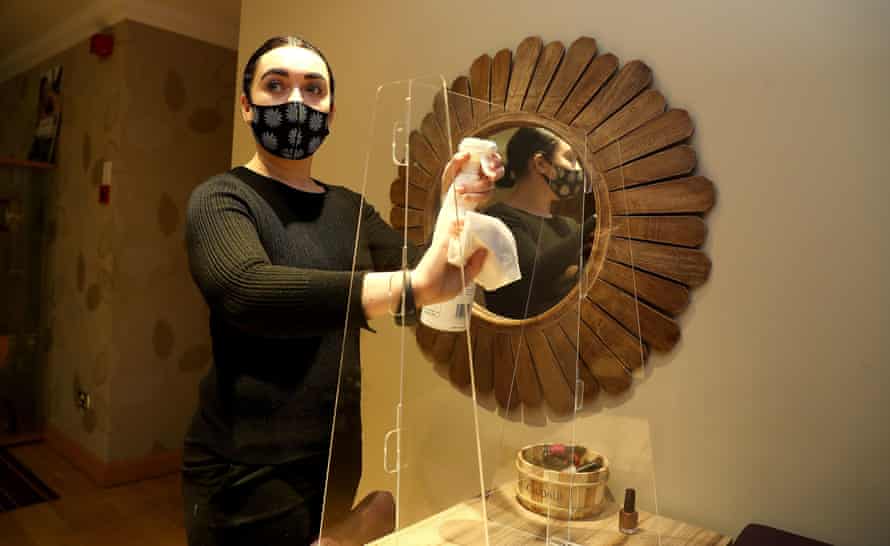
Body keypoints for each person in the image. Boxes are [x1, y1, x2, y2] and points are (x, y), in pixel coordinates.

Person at [180, 36, 504, 546]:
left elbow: (420, 273)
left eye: (313, 89)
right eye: (275, 85)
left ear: (329, 115)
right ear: (246, 106)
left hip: (333, 456)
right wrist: (409, 286)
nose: (295, 101)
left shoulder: (350, 211)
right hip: (244, 469)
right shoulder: (222, 198)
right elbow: (247, 289)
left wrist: (456, 201)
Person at [482, 127, 595, 319]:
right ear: (541, 164)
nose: (578, 169)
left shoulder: (568, 225)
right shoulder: (497, 219)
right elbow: (531, 282)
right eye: (570, 158)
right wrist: (591, 226)